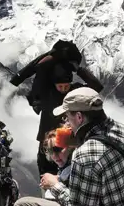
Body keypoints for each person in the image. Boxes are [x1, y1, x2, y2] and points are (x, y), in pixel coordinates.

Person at [10, 87, 124, 206]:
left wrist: (54, 185)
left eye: (67, 117)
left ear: (79, 117)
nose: (66, 122)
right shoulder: (120, 129)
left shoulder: (85, 154)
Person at [10, 40, 104, 177]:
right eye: (60, 86)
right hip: (47, 144)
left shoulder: (75, 91)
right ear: (53, 84)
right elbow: (40, 70)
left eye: (66, 85)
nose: (64, 89)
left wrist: (79, 69)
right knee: (47, 177)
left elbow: (97, 87)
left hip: (67, 144)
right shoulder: (46, 91)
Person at [40, 127, 76, 200]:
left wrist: (54, 184)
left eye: (58, 149)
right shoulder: (65, 169)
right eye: (50, 151)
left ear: (70, 147)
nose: (54, 155)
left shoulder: (75, 168)